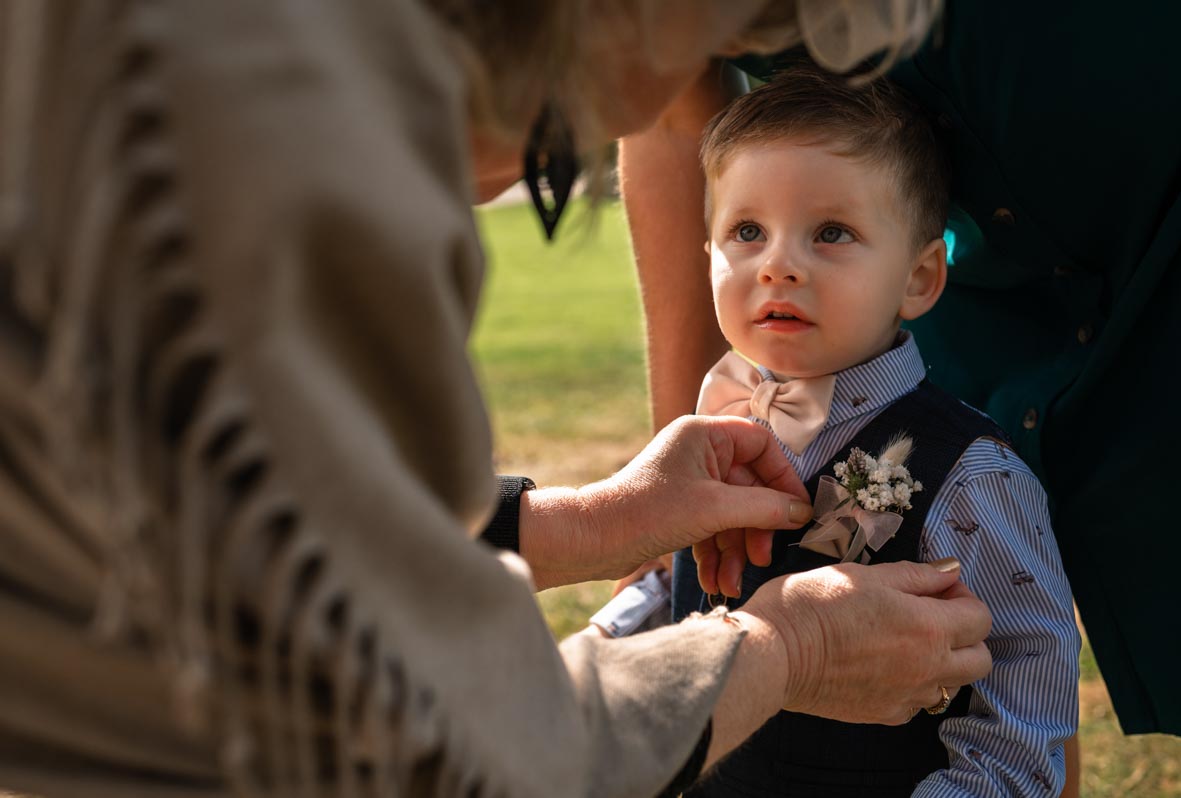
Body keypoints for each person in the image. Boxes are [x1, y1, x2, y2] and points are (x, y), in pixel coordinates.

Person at [0, 2, 994, 797]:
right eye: (718, 42)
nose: (666, 109)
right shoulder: (266, 132)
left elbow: (238, 534)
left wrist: (579, 523)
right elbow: (437, 745)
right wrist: (790, 645)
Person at [667, 64, 1079, 797]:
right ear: (709, 256)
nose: (777, 265)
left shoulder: (973, 478)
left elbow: (1024, 716)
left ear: (919, 279)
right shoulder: (711, 427)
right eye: (747, 231)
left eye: (831, 232)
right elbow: (682, 593)